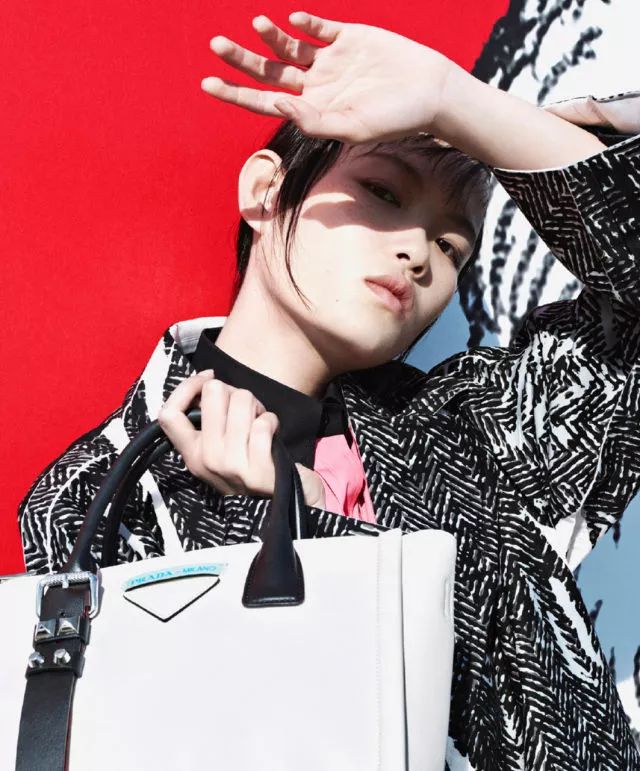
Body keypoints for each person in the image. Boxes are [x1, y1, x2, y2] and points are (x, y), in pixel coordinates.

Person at [17, 11, 640, 769]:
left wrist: (459, 103)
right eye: (382, 191)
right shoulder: (99, 494)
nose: (418, 253)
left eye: (452, 246)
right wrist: (279, 523)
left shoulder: (477, 434)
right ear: (265, 191)